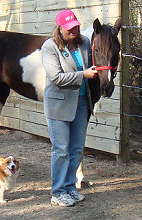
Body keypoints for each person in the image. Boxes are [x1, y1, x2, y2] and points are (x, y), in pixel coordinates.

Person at [41, 9, 98, 207]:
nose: (73, 30)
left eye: (75, 26)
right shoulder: (50, 47)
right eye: (69, 28)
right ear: (59, 29)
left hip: (81, 103)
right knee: (61, 149)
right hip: (58, 105)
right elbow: (56, 78)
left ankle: (70, 187)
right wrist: (83, 75)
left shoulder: (84, 45)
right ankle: (57, 191)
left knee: (76, 149)